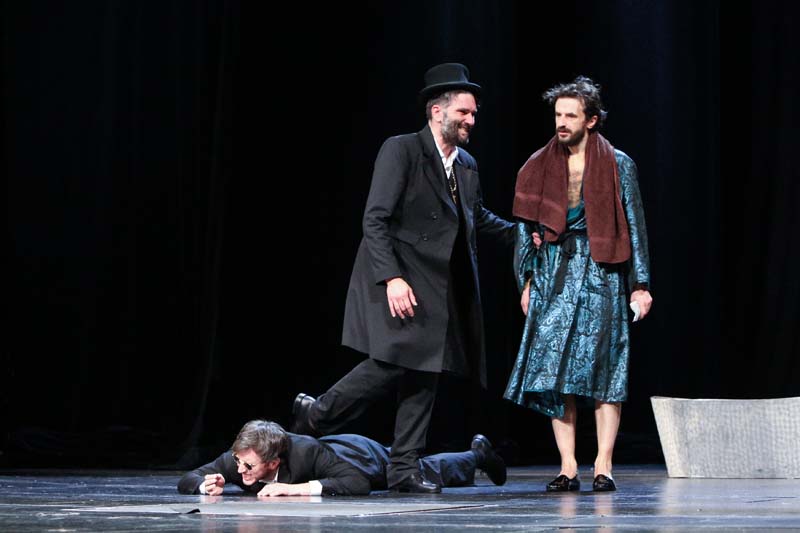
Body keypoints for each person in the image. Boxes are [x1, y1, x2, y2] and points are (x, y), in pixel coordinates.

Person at [290, 62, 514, 493]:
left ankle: (404, 469)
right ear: (437, 111)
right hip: (402, 275)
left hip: (439, 285)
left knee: (424, 372)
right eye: (464, 112)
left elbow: (477, 216)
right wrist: (391, 277)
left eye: (473, 113)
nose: (471, 120)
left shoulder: (466, 164)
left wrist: (522, 235)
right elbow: (375, 219)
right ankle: (318, 413)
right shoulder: (402, 150)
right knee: (392, 362)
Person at [504, 76, 652, 492]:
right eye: (558, 115)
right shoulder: (537, 165)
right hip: (554, 270)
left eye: (570, 115)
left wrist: (640, 283)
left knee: (606, 368)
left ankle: (603, 464)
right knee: (554, 370)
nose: (561, 123)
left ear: (591, 120)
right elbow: (525, 228)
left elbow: (635, 226)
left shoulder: (618, 164)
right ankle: (568, 466)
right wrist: (526, 278)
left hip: (602, 270)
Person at [177, 420, 506, 496]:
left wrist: (293, 490)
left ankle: (477, 455)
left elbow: (358, 483)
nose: (240, 471)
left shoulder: (305, 454)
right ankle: (475, 456)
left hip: (359, 457)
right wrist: (205, 485)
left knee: (420, 471)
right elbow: (188, 478)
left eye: (249, 466)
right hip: (332, 456)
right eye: (238, 463)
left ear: (274, 463)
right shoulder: (239, 461)